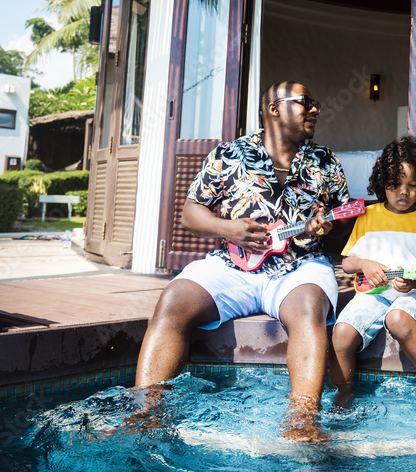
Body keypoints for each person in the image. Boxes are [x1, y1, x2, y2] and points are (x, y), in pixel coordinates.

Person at [134, 81, 349, 442]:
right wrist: (227, 228)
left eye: (316, 103)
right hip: (232, 265)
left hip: (300, 266)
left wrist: (332, 226)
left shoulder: (325, 162)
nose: (315, 109)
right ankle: (148, 413)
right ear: (274, 109)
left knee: (310, 308)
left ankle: (302, 420)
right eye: (305, 102)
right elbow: (190, 213)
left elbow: (345, 229)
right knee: (173, 300)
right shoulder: (229, 153)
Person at [330, 135, 416, 400]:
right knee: (341, 333)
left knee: (397, 318)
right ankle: (343, 396)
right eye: (394, 184)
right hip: (375, 296)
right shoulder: (368, 217)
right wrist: (365, 263)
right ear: (381, 183)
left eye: (412, 185)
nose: (403, 192)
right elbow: (348, 263)